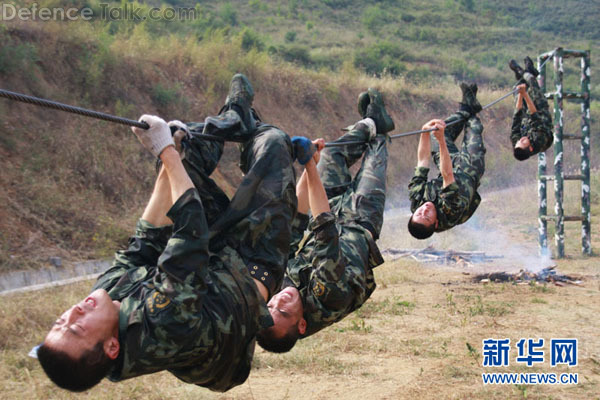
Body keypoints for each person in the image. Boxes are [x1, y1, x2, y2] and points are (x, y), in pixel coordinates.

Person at [37, 74, 302, 392]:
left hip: (206, 259)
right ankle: (243, 125)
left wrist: (168, 150)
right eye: (77, 329)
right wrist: (164, 152)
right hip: (249, 264)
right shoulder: (163, 328)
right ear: (111, 347)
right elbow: (190, 234)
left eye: (61, 322)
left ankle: (235, 114)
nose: (74, 312)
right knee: (273, 142)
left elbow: (146, 240)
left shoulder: (103, 299)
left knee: (182, 153)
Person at [256, 88, 394, 352]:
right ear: (302, 326)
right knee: (376, 152)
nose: (279, 302)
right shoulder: (329, 298)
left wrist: (312, 164)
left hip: (328, 212)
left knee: (331, 155)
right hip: (359, 221)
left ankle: (369, 123)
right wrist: (309, 167)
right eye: (284, 313)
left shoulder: (278, 291)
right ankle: (377, 125)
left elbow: (293, 224)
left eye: (271, 305)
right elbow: (324, 231)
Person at [407, 83, 485, 239]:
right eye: (427, 216)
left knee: (438, 130)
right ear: (435, 223)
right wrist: (441, 141)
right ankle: (469, 108)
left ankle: (466, 107)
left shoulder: (417, 199)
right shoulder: (449, 212)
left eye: (419, 212)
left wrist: (424, 132)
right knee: (473, 127)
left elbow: (422, 161)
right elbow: (448, 175)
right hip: (469, 170)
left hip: (450, 164)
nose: (425, 210)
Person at [508, 56, 553, 161]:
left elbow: (517, 116)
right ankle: (523, 71)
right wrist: (524, 93)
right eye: (523, 142)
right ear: (531, 147)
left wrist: (520, 94)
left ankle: (528, 72)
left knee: (516, 88)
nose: (522, 139)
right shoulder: (539, 140)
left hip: (526, 121)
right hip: (541, 115)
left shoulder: (516, 142)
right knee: (532, 81)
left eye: (519, 141)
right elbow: (534, 114)